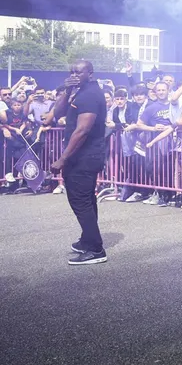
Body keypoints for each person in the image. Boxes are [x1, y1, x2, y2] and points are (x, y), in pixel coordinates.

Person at [51, 61, 109, 265]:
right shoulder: (77, 92)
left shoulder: (91, 95)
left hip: (85, 157)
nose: (74, 75)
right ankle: (87, 239)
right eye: (71, 71)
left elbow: (83, 130)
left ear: (90, 74)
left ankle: (95, 249)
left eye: (78, 72)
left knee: (81, 201)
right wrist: (67, 89)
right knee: (85, 200)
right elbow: (55, 114)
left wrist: (62, 158)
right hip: (79, 157)